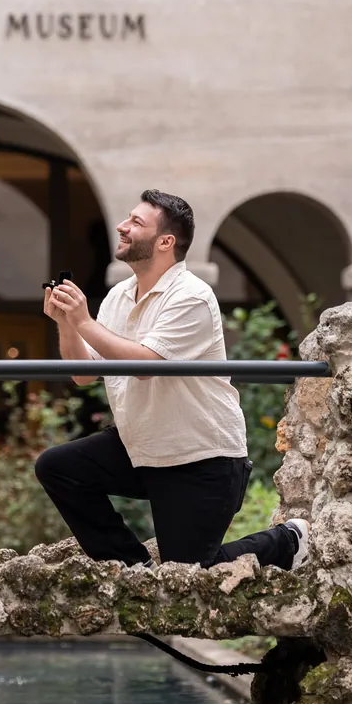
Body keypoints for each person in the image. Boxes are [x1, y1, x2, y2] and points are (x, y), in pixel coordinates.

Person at [35, 190, 310, 570]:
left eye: (135, 222)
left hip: (200, 458)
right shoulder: (119, 296)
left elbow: (147, 364)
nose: (122, 226)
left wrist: (84, 322)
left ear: (165, 242)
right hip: (141, 447)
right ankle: (132, 568)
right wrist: (67, 324)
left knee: (192, 575)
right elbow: (83, 374)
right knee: (58, 467)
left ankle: (286, 541)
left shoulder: (192, 297)